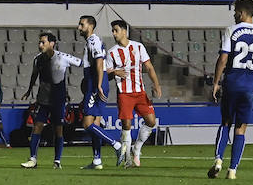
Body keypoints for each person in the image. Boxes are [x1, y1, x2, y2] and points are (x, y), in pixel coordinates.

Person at [209, 0, 253, 180]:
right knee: (241, 128)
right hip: (251, 87)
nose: (233, 14)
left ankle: (218, 160)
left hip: (232, 83)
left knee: (225, 123)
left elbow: (223, 59)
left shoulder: (231, 30)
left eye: (235, 11)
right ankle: (232, 171)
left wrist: (216, 82)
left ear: (242, 13)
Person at [20, 32, 84, 169]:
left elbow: (82, 63)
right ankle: (32, 159)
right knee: (37, 127)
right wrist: (29, 89)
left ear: (52, 43)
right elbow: (34, 76)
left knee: (58, 130)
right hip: (43, 99)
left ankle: (57, 161)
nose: (40, 45)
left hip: (58, 101)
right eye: (40, 42)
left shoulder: (63, 58)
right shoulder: (38, 59)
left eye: (43, 42)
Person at [105, 19, 164, 168]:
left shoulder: (138, 47)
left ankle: (136, 148)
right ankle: (128, 160)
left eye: (116, 30)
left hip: (140, 92)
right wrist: (114, 72)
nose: (113, 33)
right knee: (127, 125)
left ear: (124, 31)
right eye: (112, 30)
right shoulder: (111, 52)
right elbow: (105, 75)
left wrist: (156, 85)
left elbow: (149, 67)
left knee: (151, 121)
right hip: (124, 93)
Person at [75, 15, 124, 169]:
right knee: (95, 123)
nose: (79, 27)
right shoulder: (91, 41)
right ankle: (97, 160)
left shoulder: (93, 40)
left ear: (90, 26)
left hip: (95, 83)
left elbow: (99, 61)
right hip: (95, 82)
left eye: (81, 24)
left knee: (87, 124)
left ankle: (117, 145)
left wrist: (98, 84)